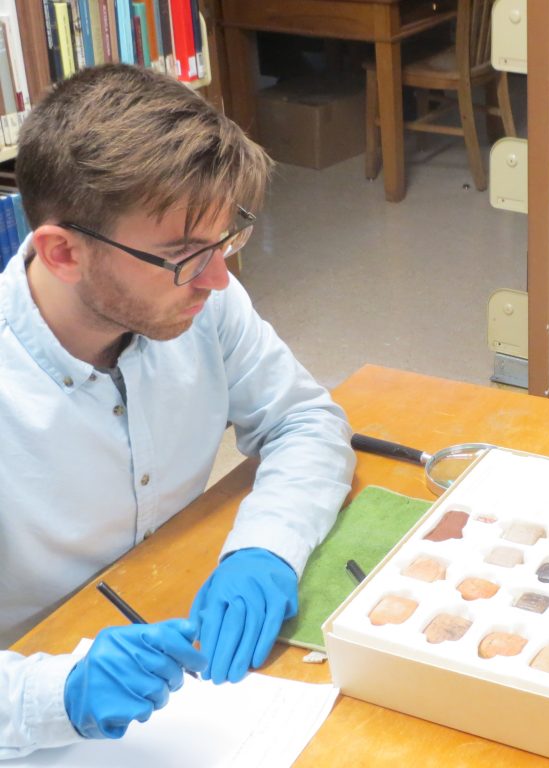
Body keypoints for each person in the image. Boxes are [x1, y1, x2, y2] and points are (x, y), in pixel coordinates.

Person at [0, 64, 355, 758]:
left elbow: (304, 422)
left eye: (227, 241)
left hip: (178, 645)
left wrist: (267, 546)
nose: (219, 279)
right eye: (185, 255)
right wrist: (59, 694)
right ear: (63, 252)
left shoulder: (202, 300)